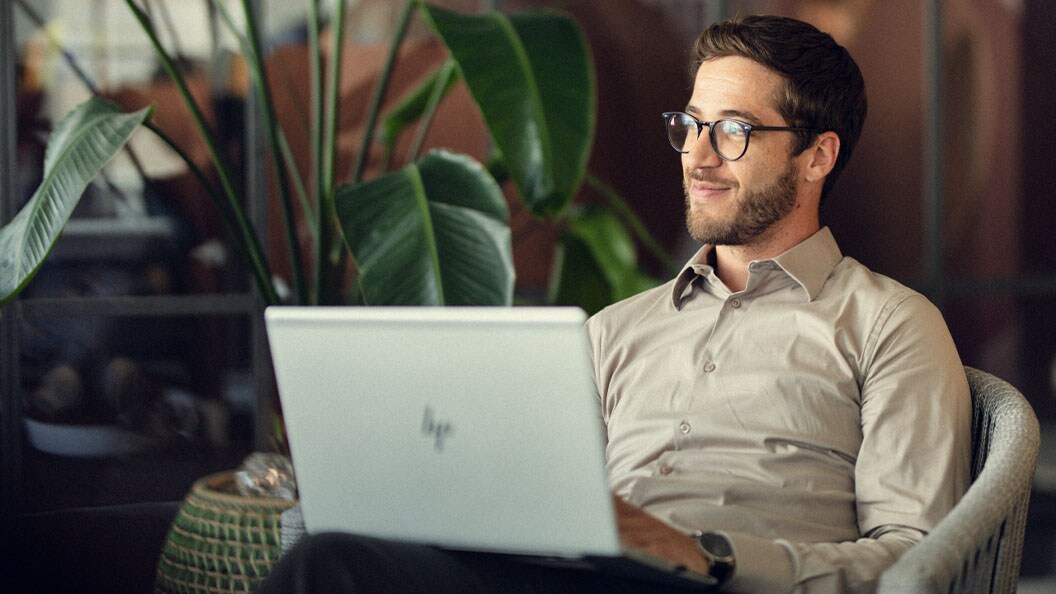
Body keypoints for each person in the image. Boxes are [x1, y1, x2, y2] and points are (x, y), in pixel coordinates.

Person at [256, 14, 970, 594]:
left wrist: (712, 556)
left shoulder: (890, 326)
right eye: (690, 126)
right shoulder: (614, 330)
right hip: (573, 576)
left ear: (817, 156)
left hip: (726, 585)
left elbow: (916, 558)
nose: (696, 155)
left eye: (733, 131)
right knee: (330, 565)